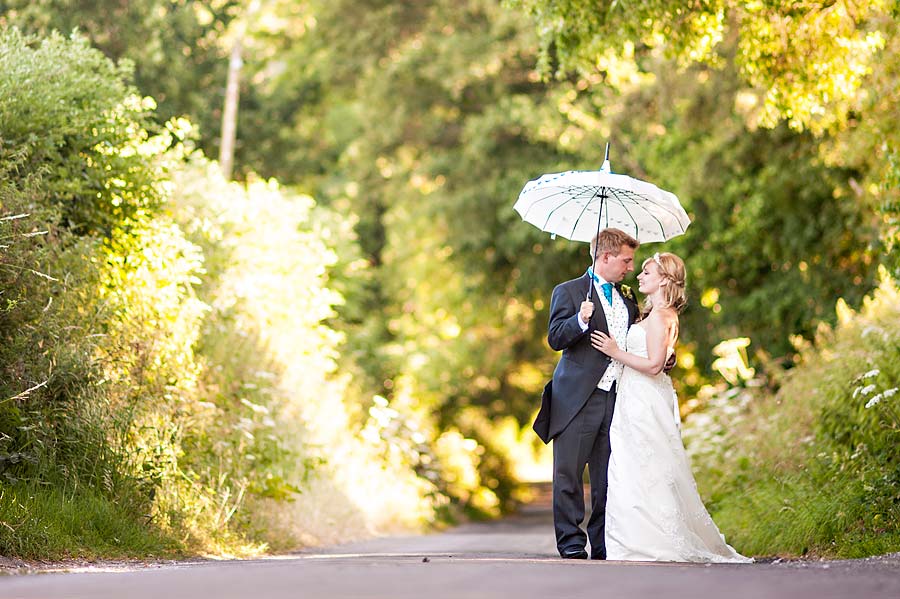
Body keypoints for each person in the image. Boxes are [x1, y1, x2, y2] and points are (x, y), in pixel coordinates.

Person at [591, 252, 752, 563]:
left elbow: (652, 365)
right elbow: (662, 359)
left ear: (664, 279)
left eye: (647, 272)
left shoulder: (661, 316)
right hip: (638, 397)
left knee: (640, 466)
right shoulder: (660, 315)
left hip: (642, 399)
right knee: (641, 468)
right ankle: (637, 538)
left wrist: (615, 351)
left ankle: (647, 541)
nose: (639, 276)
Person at [538, 228, 640, 560]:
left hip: (619, 397)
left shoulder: (627, 297)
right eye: (625, 260)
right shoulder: (568, 292)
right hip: (577, 398)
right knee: (568, 473)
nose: (629, 268)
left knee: (608, 476)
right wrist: (580, 321)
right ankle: (570, 543)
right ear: (605, 257)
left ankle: (603, 544)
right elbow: (555, 338)